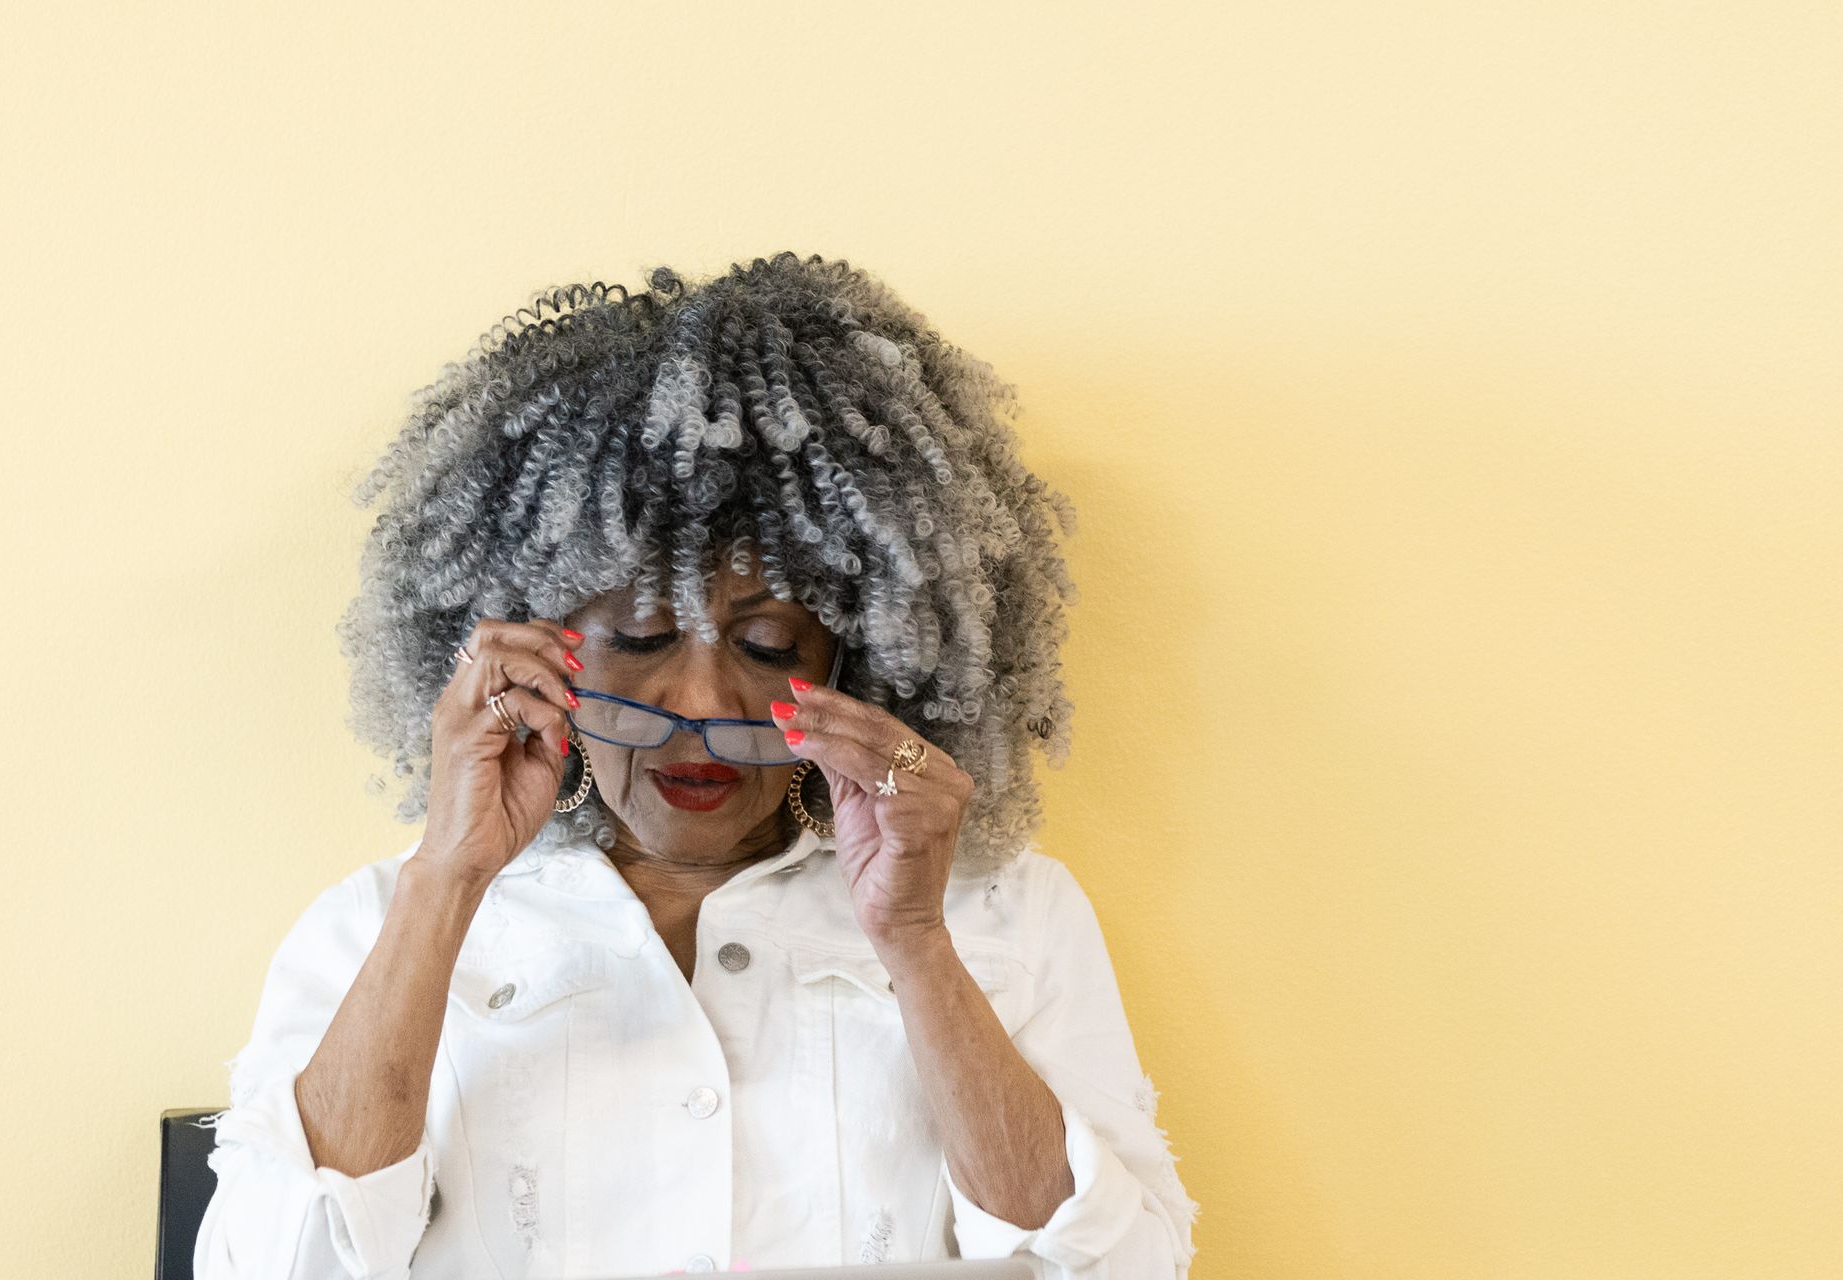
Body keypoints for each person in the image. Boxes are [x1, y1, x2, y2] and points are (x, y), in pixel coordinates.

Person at [193, 252, 1200, 1278]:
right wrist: (449, 876)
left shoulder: (1006, 916)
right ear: (535, 646)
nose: (705, 705)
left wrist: (916, 942)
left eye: (767, 647)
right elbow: (274, 1265)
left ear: (864, 661)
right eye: (637, 637)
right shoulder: (376, 925)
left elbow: (1120, 1271)